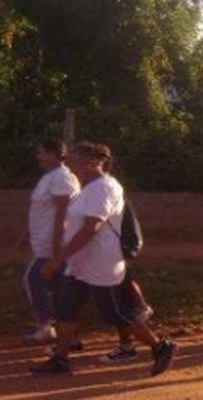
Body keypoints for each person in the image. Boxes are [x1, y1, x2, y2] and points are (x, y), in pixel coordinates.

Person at [29, 142, 176, 375]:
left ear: (90, 163)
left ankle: (160, 347)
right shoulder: (87, 188)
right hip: (82, 263)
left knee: (117, 313)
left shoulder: (104, 188)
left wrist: (58, 259)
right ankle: (60, 359)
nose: (71, 167)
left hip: (102, 263)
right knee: (66, 307)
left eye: (75, 162)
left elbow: (90, 228)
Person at [21, 140, 80, 344]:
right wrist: (27, 235)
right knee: (56, 287)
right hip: (45, 241)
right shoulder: (50, 177)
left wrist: (57, 248)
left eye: (42, 152)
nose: (39, 157)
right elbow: (41, 210)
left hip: (52, 243)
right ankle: (66, 332)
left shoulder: (62, 178)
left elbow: (62, 215)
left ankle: (46, 326)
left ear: (56, 154)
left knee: (33, 279)